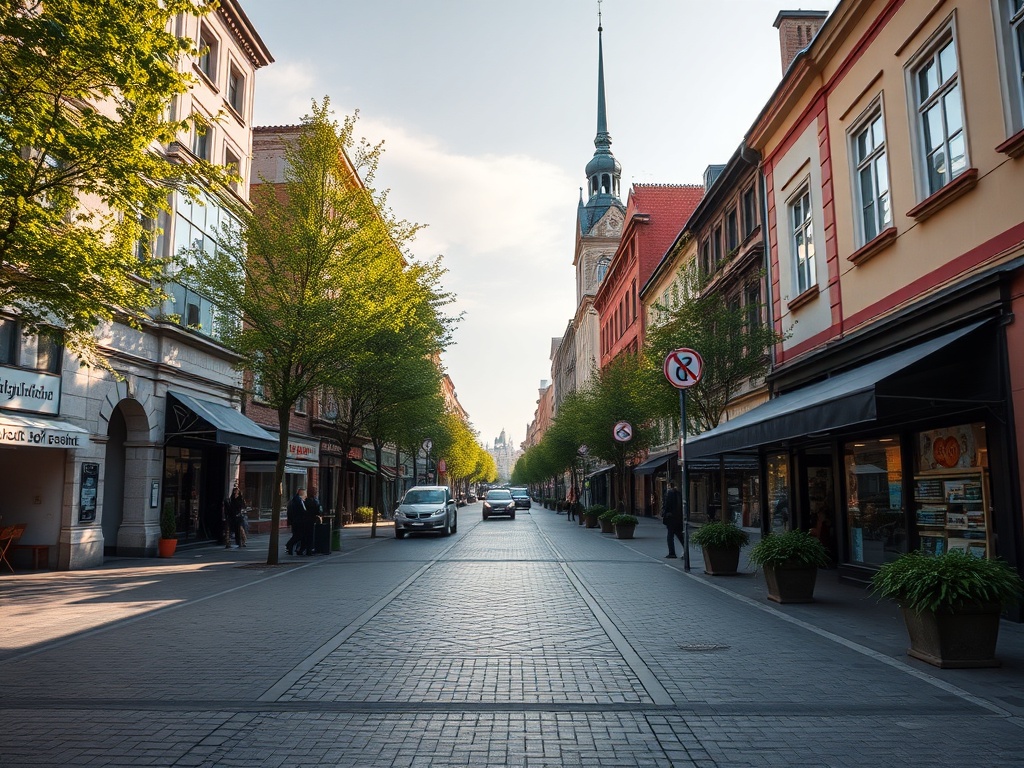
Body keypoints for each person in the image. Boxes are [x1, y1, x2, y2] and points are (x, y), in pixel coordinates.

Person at [663, 481, 684, 558]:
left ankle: (672, 553)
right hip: (678, 518)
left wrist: (665, 514)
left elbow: (667, 505)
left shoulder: (669, 494)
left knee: (670, 536)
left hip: (671, 518)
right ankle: (685, 551)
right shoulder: (679, 494)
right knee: (680, 535)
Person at [286, 488, 306, 556]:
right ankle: (289, 545)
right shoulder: (297, 501)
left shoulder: (295, 500)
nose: (306, 495)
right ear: (301, 494)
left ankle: (290, 547)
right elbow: (301, 511)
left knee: (296, 535)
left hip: (296, 521)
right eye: (305, 494)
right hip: (298, 521)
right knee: (298, 536)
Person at [301, 489, 321, 556]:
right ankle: (308, 550)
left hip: (305, 520)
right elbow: (318, 510)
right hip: (311, 520)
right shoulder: (314, 502)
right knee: (310, 536)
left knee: (305, 536)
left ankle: (303, 549)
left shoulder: (305, 502)